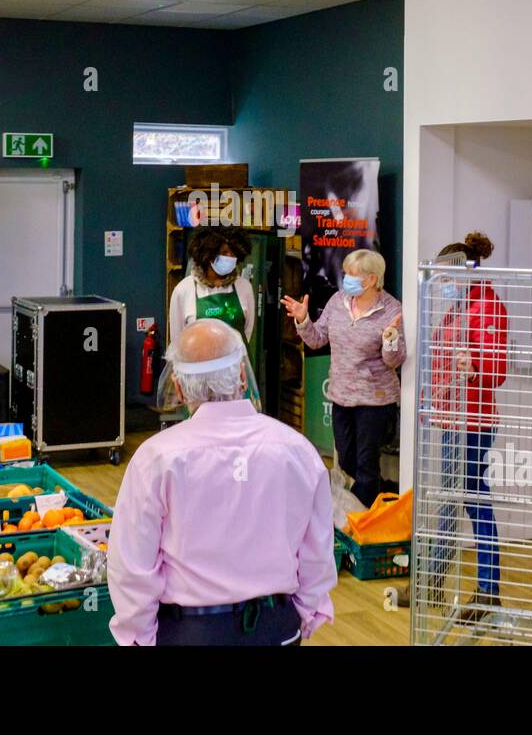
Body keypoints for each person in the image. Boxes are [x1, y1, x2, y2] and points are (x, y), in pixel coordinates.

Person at [107, 318, 336, 645]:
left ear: (179, 385)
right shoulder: (298, 451)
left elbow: (131, 566)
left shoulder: (158, 458)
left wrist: (139, 636)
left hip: (190, 631)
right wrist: (302, 615)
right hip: (276, 626)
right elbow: (318, 553)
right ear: (242, 376)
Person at [425, 233, 508, 623]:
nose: (442, 283)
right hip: (453, 417)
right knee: (453, 498)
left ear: (465, 270)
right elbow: (444, 357)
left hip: (473, 421)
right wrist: (433, 395)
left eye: (446, 276)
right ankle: (435, 583)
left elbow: (497, 371)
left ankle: (487, 590)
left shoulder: (487, 308)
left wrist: (474, 369)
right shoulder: (461, 305)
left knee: (472, 499)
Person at [282, 249, 406, 508]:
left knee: (366, 464)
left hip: (375, 400)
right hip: (341, 397)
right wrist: (303, 319)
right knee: (347, 461)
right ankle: (368, 506)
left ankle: (362, 524)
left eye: (352, 274)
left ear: (372, 279)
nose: (346, 279)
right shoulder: (338, 301)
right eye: (346, 273)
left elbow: (393, 361)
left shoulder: (391, 310)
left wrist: (391, 339)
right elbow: (317, 340)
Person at [168, 228, 255, 344]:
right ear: (208, 255)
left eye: (233, 253)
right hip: (197, 361)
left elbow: (247, 332)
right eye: (224, 253)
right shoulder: (183, 290)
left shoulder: (244, 287)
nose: (229, 257)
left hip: (236, 362)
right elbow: (177, 342)